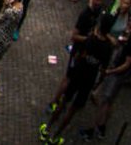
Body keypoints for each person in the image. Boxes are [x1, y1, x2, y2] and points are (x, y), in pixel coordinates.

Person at [41, 14, 116, 144]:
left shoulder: (90, 39)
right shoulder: (108, 48)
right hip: (89, 80)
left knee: (64, 102)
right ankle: (55, 137)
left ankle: (47, 128)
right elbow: (103, 69)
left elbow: (78, 55)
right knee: (73, 109)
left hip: (78, 74)